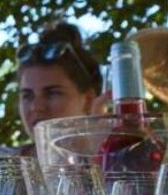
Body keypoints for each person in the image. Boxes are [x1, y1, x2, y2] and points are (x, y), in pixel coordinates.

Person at [7, 21, 103, 156]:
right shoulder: (5, 165)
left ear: (88, 101)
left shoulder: (115, 163)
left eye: (52, 93)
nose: (36, 107)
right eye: (27, 96)